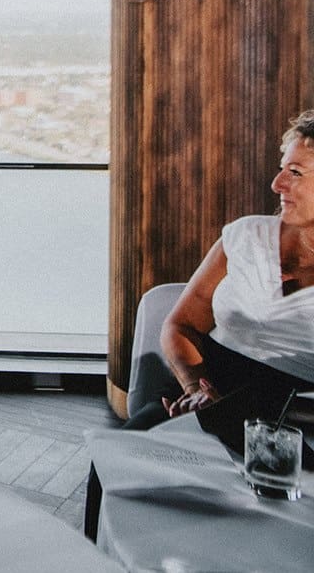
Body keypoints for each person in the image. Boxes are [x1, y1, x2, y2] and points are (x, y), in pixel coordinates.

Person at [126, 111, 314, 430]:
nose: (277, 184)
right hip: (199, 394)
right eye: (281, 169)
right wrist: (195, 389)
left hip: (292, 420)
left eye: (295, 172)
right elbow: (181, 325)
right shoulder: (245, 235)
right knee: (118, 454)